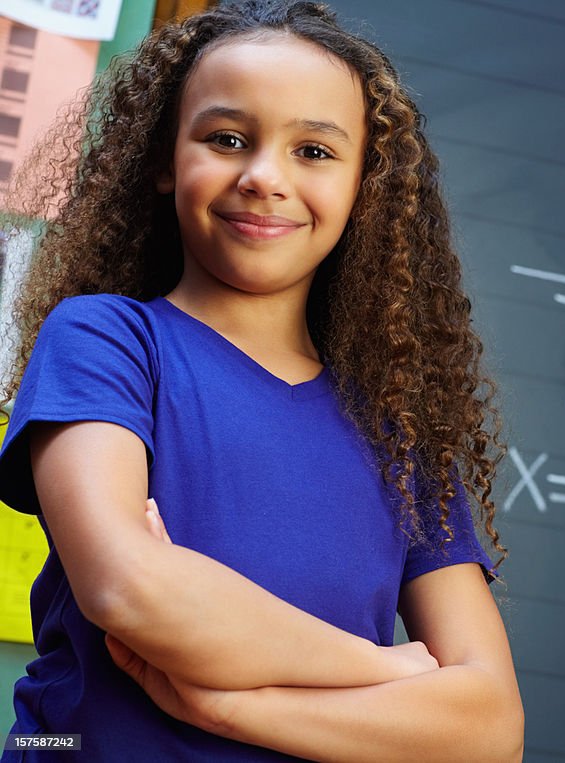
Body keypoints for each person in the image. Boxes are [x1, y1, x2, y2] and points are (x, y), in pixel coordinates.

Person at [0, 1, 524, 760]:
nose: (263, 176)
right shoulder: (106, 339)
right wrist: (387, 670)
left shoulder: (398, 437)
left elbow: (490, 728)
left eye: (314, 151)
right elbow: (126, 588)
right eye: (227, 139)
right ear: (163, 158)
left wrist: (226, 704)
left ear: (363, 189)